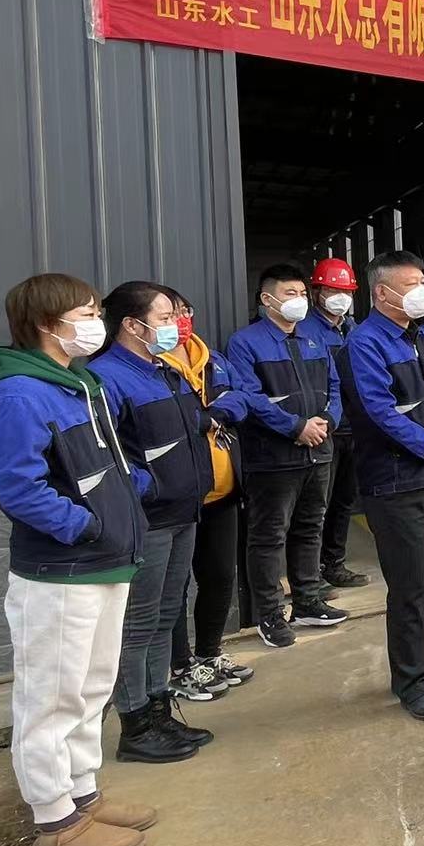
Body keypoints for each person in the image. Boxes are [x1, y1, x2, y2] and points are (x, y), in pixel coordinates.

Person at [0, 273, 155, 846]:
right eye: (84, 313)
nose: (95, 322)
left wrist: (127, 504)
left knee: (91, 688)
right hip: (61, 571)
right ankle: (56, 818)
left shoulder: (79, 384)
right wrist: (87, 526)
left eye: (95, 311)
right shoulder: (20, 394)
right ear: (44, 324)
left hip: (104, 564)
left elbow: (108, 466)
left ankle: (83, 795)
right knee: (51, 697)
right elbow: (18, 487)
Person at [340, 251, 424, 723]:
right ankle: (411, 682)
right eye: (412, 284)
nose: (423, 292)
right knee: (409, 587)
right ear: (382, 293)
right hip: (396, 485)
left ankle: (421, 668)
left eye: (423, 282)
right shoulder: (364, 344)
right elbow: (378, 412)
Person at [91, 283, 216, 763]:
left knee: (166, 615)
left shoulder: (164, 370)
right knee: (138, 622)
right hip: (150, 519)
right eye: (165, 318)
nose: (176, 325)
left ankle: (159, 709)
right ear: (131, 324)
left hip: (184, 511)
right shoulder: (107, 378)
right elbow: (108, 456)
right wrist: (153, 487)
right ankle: (136, 724)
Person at [225, 264, 349, 649]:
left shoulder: (312, 339)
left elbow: (335, 387)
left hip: (319, 452)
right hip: (273, 459)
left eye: (302, 293)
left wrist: (327, 420)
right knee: (268, 536)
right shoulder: (245, 343)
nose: (299, 300)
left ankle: (307, 601)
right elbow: (250, 397)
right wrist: (296, 427)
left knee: (310, 528)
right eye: (289, 293)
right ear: (267, 299)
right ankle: (269, 613)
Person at [160, 291, 258, 700]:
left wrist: (214, 413)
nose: (180, 320)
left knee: (219, 576)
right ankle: (180, 666)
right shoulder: (150, 367)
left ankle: (208, 653)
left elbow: (241, 397)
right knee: (174, 587)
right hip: (178, 499)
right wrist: (202, 416)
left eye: (184, 311)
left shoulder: (211, 358)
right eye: (170, 314)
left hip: (222, 490)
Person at [298, 258, 370, 593]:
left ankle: (334, 564)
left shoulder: (354, 329)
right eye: (331, 289)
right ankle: (308, 573)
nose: (340, 297)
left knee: (344, 501)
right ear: (316, 292)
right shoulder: (303, 330)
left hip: (355, 429)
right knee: (315, 506)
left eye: (346, 291)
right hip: (323, 430)